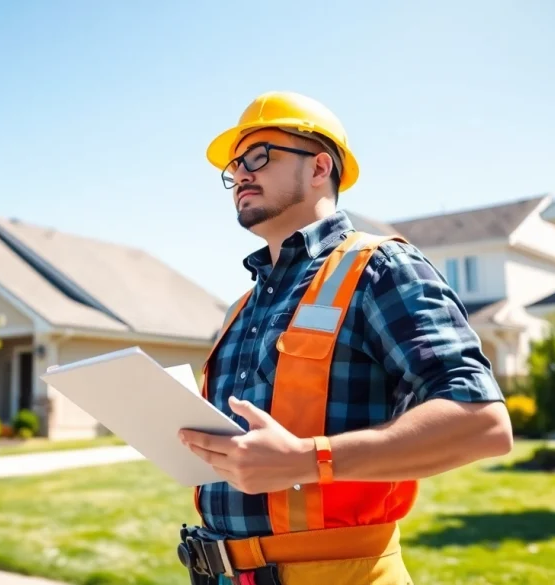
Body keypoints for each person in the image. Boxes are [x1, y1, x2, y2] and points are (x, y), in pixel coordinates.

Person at [176, 91, 513, 585]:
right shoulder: (241, 308)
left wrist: (307, 461)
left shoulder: (380, 268)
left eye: (258, 156)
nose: (240, 174)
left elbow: (483, 424)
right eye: (234, 167)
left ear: (319, 167)